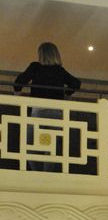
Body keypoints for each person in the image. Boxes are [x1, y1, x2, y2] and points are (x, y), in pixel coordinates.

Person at [13, 42, 82, 172]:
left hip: (38, 112)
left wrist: (18, 95)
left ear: (41, 54)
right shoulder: (59, 70)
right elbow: (76, 83)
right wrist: (66, 95)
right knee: (50, 145)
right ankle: (46, 174)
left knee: (30, 144)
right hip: (56, 113)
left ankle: (38, 173)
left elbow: (18, 82)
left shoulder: (35, 67)